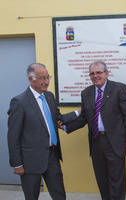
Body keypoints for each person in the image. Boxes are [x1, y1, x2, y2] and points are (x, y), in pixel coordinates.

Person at [64, 61, 126, 200]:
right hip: (96, 142)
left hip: (115, 142)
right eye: (92, 73)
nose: (95, 76)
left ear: (106, 73)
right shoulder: (86, 93)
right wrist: (67, 126)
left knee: (116, 182)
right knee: (102, 180)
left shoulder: (118, 89)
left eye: (99, 72)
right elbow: (85, 117)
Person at [7, 63, 78, 200]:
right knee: (32, 196)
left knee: (59, 195)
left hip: (52, 155)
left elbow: (58, 119)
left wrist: (80, 112)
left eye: (47, 77)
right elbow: (13, 136)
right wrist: (17, 163)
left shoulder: (49, 96)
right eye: (42, 78)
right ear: (30, 79)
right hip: (30, 161)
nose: (46, 82)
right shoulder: (19, 102)